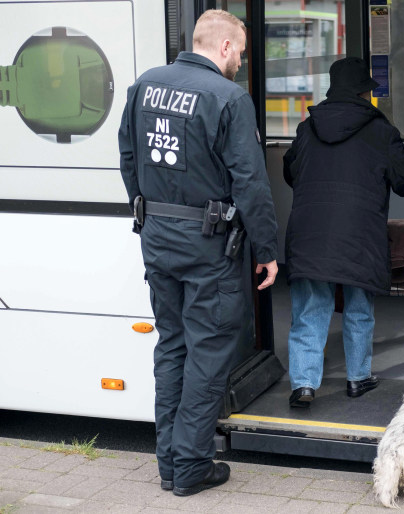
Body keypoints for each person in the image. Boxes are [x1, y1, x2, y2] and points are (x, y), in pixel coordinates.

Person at [118, 10, 278, 496]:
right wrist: (267, 248)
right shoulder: (228, 98)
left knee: (172, 345)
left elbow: (128, 158)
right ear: (226, 47)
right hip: (209, 245)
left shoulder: (145, 85)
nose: (240, 64)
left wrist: (147, 214)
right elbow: (250, 182)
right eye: (242, 54)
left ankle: (168, 463)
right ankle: (189, 466)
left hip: (157, 238)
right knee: (208, 352)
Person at [283, 57, 404, 408]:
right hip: (359, 234)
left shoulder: (308, 127)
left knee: (309, 309)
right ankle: (358, 378)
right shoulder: (380, 130)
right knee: (359, 306)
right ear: (365, 92)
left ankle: (303, 384)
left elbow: (291, 172)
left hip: (310, 232)